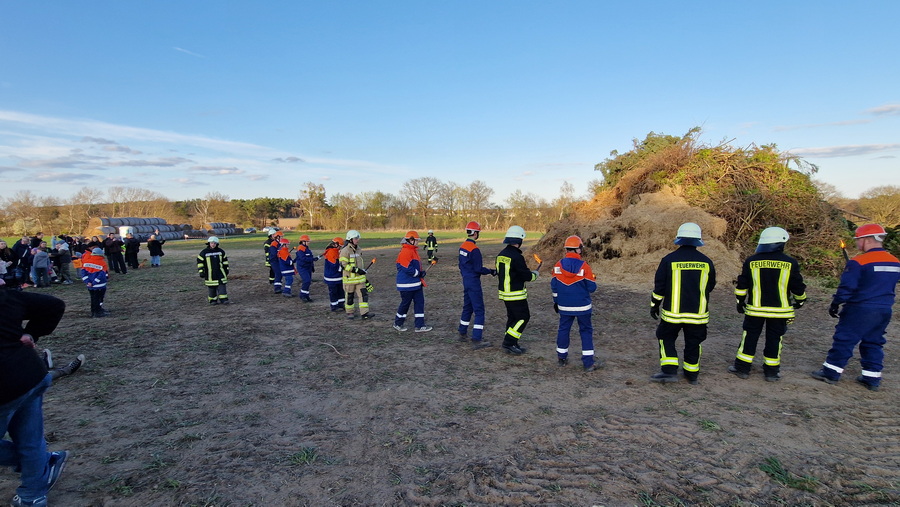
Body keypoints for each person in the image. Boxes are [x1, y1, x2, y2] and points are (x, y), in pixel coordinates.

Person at [0, 287, 69, 507]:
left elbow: (54, 306)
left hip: (8, 387)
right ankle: (32, 495)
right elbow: (53, 305)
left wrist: (31, 333)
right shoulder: (6, 295)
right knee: (30, 440)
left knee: (30, 441)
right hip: (30, 375)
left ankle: (38, 467)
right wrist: (30, 333)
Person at [811, 224, 900, 391]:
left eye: (858, 240)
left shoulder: (859, 261)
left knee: (844, 339)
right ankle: (872, 377)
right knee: (874, 342)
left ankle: (831, 372)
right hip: (884, 309)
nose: (858, 244)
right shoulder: (895, 261)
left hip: (860, 308)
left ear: (866, 240)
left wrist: (836, 303)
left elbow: (847, 287)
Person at [729, 227, 806, 382]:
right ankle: (771, 371)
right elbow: (797, 286)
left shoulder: (751, 261)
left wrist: (740, 301)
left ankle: (742, 368)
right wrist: (800, 300)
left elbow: (742, 285)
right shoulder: (790, 263)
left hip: (755, 310)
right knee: (775, 339)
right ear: (781, 243)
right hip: (780, 311)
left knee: (749, 337)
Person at [649, 222, 717, 384]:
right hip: (698, 314)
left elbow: (660, 287)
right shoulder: (706, 262)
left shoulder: (668, 260)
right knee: (694, 341)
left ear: (679, 239)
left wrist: (654, 305)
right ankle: (691, 374)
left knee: (666, 338)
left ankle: (669, 371)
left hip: (673, 313)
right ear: (698, 240)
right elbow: (711, 285)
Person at [552, 235, 598, 372]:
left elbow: (554, 286)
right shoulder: (585, 266)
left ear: (566, 249)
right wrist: (593, 278)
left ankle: (561, 357)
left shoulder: (558, 265)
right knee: (586, 331)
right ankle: (588, 363)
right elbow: (592, 288)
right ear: (578, 249)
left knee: (564, 329)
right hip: (583, 307)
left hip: (564, 306)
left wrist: (556, 301)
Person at [496, 225, 538, 355]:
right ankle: (509, 342)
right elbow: (525, 275)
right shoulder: (517, 257)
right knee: (523, 317)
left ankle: (512, 343)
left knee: (512, 318)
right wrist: (535, 274)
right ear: (519, 241)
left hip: (505, 293)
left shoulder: (501, 255)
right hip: (516, 294)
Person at [457, 221, 496, 349]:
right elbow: (478, 268)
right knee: (479, 310)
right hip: (473, 282)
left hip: (466, 280)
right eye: (478, 232)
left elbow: (461, 265)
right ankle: (477, 339)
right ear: (475, 233)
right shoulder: (474, 250)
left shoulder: (462, 247)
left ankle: (462, 332)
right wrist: (491, 271)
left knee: (467, 307)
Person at [392, 231, 432, 332]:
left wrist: (420, 273)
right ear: (411, 240)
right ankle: (398, 323)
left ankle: (420, 325)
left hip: (415, 283)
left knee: (419, 303)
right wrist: (418, 273)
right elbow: (407, 268)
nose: (418, 242)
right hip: (407, 284)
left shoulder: (412, 250)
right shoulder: (406, 251)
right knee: (405, 303)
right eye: (417, 240)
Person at [339, 230, 370, 320]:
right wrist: (356, 270)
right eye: (356, 238)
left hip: (360, 279)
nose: (357, 240)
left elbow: (360, 263)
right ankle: (350, 312)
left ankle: (364, 313)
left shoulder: (359, 249)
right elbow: (343, 265)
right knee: (349, 297)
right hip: (349, 280)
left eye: (358, 238)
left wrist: (362, 272)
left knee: (363, 296)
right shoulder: (345, 251)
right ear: (350, 239)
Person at [197, 236, 230, 305]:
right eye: (211, 243)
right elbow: (200, 262)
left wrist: (226, 269)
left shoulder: (221, 252)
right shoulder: (204, 252)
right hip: (209, 274)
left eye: (214, 243)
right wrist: (201, 271)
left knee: (222, 286)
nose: (213, 244)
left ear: (217, 244)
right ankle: (212, 300)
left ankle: (223, 299)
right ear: (209, 243)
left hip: (220, 273)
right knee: (212, 288)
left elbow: (225, 262)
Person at [81, 247, 110, 317]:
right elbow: (102, 275)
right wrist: (95, 282)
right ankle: (98, 311)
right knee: (99, 298)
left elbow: (83, 273)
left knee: (93, 298)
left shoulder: (86, 262)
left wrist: (88, 282)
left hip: (90, 285)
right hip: (99, 285)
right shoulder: (102, 263)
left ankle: (94, 310)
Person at [322, 237, 346, 312]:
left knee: (340, 291)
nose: (340, 248)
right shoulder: (331, 252)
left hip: (337, 276)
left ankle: (341, 304)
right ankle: (334, 306)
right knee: (333, 292)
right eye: (340, 247)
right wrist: (342, 267)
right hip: (332, 277)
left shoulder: (336, 251)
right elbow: (334, 265)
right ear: (336, 245)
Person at [295, 235, 321, 302]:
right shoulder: (301, 248)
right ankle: (302, 295)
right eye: (308, 241)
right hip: (303, 268)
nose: (309, 242)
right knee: (306, 281)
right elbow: (303, 258)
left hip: (308, 267)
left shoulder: (306, 248)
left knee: (308, 282)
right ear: (303, 242)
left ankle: (306, 295)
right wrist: (313, 259)